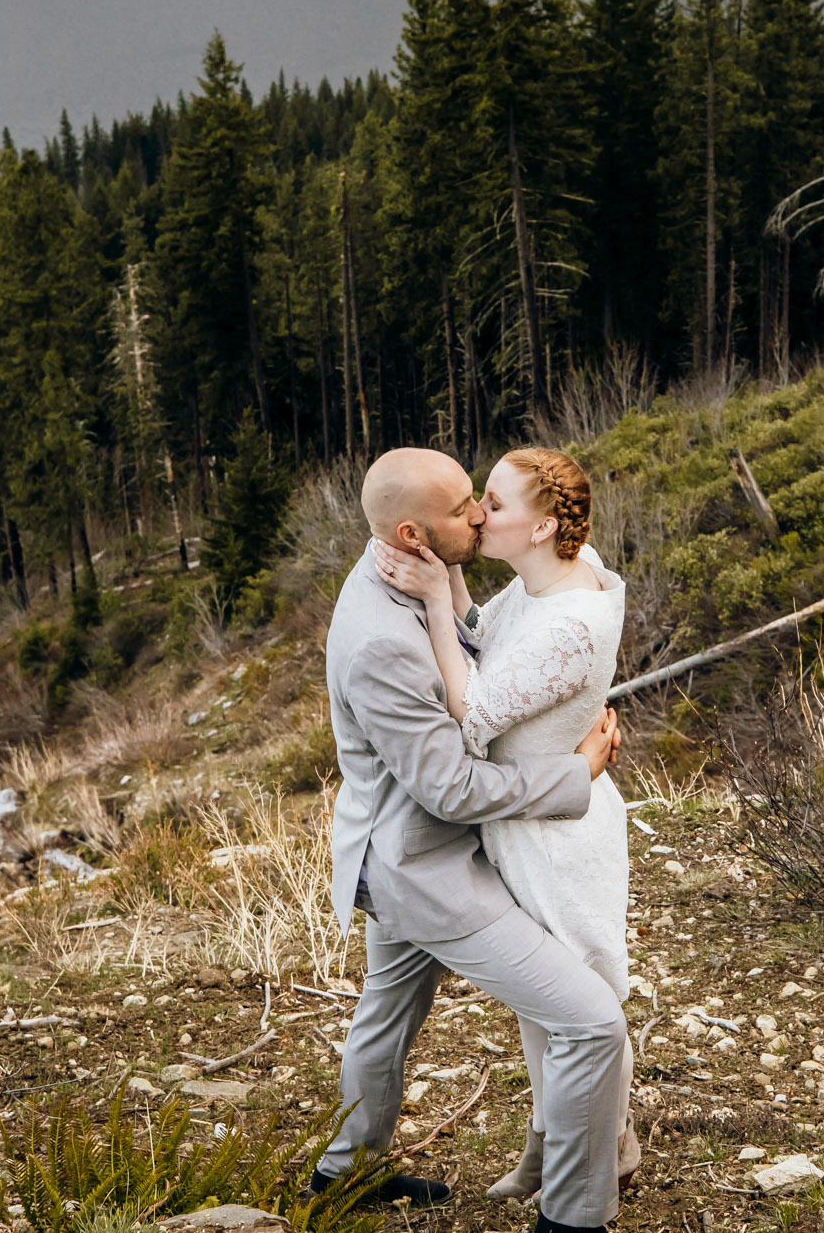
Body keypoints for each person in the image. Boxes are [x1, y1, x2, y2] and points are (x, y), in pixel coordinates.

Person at [316, 447, 629, 1233]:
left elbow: (470, 640)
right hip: (421, 862)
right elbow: (450, 787)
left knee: (386, 1011)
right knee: (592, 1020)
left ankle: (342, 1173)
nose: (480, 515)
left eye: (481, 498)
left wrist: (444, 588)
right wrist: (576, 774)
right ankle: (573, 1217)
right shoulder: (380, 640)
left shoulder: (395, 570)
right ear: (415, 532)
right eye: (465, 508)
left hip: (398, 840)